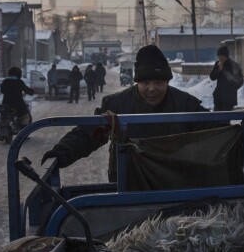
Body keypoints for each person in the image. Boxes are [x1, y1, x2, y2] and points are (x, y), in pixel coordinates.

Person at [42, 45, 213, 181]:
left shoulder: (186, 104)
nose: (152, 88)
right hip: (128, 186)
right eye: (145, 82)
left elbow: (215, 130)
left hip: (173, 184)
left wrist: (239, 134)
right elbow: (89, 134)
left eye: (159, 82)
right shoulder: (116, 105)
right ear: (137, 81)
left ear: (167, 81)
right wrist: (61, 153)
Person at [209, 45, 244, 111]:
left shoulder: (234, 65)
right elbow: (212, 77)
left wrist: (231, 90)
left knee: (225, 119)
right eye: (219, 56)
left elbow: (240, 81)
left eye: (222, 56)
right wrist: (219, 70)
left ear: (226, 56)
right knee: (216, 119)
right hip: (218, 98)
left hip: (228, 100)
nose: (220, 58)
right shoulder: (218, 64)